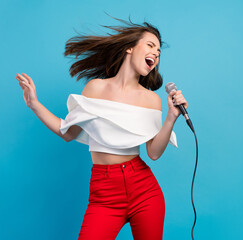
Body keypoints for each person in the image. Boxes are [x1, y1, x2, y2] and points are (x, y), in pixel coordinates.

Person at [15, 17, 188, 240]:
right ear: (130, 47)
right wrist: (34, 104)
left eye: (158, 52)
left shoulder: (151, 100)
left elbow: (153, 153)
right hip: (104, 193)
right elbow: (68, 133)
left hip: (144, 190)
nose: (155, 53)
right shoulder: (95, 88)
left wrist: (171, 118)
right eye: (150, 45)